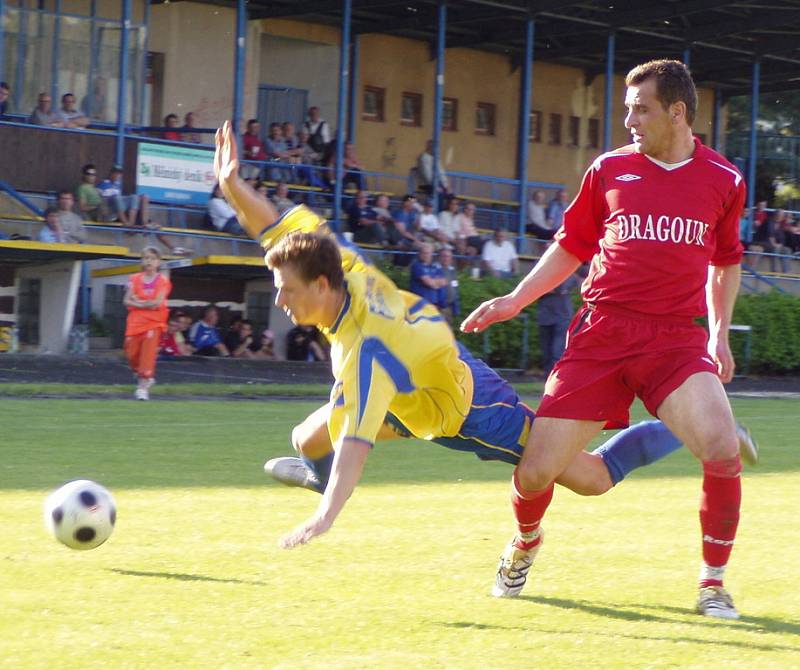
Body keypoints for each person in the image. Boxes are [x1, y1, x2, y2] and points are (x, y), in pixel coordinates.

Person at [211, 121, 757, 555]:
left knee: (590, 478)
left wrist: (327, 515)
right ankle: (315, 474)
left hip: (471, 410)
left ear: (322, 286)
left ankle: (700, 428)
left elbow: (356, 445)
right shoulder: (338, 261)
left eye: (284, 289)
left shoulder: (364, 352)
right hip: (414, 390)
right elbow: (273, 225)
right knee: (306, 441)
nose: (280, 299)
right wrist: (234, 186)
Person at [461, 60, 748, 619]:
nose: (629, 119)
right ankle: (524, 545)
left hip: (673, 341)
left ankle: (712, 585)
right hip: (601, 334)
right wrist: (515, 300)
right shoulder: (609, 170)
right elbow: (571, 246)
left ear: (677, 111)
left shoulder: (725, 180)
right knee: (538, 471)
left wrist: (719, 334)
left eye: (641, 108)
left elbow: (726, 262)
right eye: (627, 107)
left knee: (721, 447)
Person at [123, 247, 172, 400]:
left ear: (158, 262)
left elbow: (157, 303)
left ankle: (143, 386)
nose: (148, 261)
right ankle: (144, 375)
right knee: (130, 351)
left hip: (154, 322)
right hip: (135, 322)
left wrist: (138, 302)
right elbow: (126, 300)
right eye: (146, 258)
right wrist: (145, 304)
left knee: (147, 354)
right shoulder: (134, 279)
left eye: (152, 258)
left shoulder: (163, 281)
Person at [536, 274, 579, 376]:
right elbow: (533, 289)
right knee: (546, 355)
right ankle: (548, 383)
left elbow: (560, 287)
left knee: (557, 354)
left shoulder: (567, 270)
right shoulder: (539, 265)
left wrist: (544, 288)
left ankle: (556, 382)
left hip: (562, 317)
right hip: (544, 316)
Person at [409, 243, 446, 307]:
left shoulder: (436, 266)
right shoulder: (417, 266)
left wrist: (433, 282)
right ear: (420, 254)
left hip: (434, 303)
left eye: (428, 253)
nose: (425, 255)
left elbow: (443, 282)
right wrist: (436, 283)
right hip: (419, 303)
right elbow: (429, 283)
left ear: (431, 254)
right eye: (423, 253)